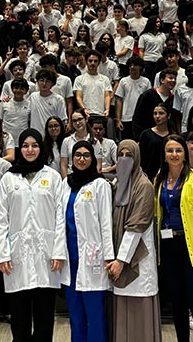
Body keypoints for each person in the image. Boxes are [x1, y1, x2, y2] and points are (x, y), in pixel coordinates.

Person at [0, 128, 66, 342]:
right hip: (17, 257)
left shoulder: (52, 177)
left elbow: (60, 217)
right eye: (25, 145)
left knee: (44, 315)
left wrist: (58, 252)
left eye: (34, 145)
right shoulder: (8, 178)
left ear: (41, 148)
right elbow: (0, 219)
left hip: (47, 256)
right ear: (19, 148)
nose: (30, 149)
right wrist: (3, 255)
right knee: (19, 316)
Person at [156, 134, 193, 342]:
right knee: (178, 303)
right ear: (164, 155)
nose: (174, 154)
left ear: (185, 154)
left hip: (192, 247)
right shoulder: (159, 180)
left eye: (178, 150)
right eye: (170, 151)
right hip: (167, 246)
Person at [61, 142, 115, 342]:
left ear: (92, 159)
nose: (81, 159)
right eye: (77, 155)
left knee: (95, 315)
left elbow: (106, 223)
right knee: (75, 314)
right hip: (70, 258)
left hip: (94, 257)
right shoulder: (65, 183)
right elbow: (60, 220)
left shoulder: (100, 184)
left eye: (86, 155)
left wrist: (109, 257)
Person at [108, 139, 160, 342]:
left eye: (129, 156)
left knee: (140, 317)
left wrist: (121, 260)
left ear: (137, 157)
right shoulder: (117, 184)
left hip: (137, 260)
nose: (124, 159)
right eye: (120, 155)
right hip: (117, 259)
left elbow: (136, 227)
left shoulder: (144, 186)